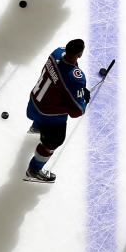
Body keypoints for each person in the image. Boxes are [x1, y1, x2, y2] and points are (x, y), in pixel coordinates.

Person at [23, 39, 90, 183]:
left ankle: (36, 127)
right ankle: (34, 170)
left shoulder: (57, 52)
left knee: (49, 97)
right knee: (52, 143)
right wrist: (83, 100)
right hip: (50, 116)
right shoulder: (76, 78)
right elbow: (77, 111)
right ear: (80, 54)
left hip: (34, 102)